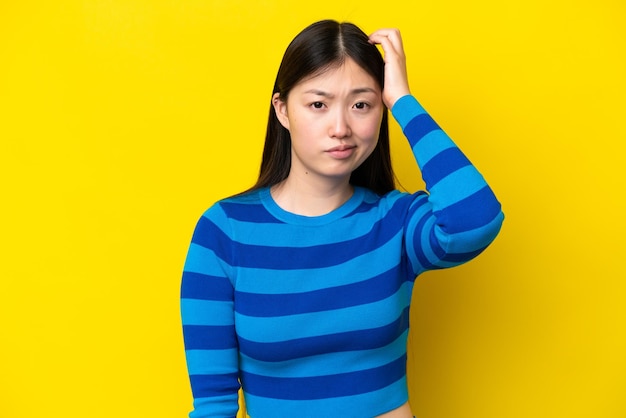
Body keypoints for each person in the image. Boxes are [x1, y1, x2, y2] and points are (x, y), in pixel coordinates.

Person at [180, 20, 504, 418]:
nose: (340, 128)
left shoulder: (395, 224)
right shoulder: (224, 232)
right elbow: (213, 405)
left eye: (361, 105)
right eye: (318, 104)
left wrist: (402, 100)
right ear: (282, 110)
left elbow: (476, 219)